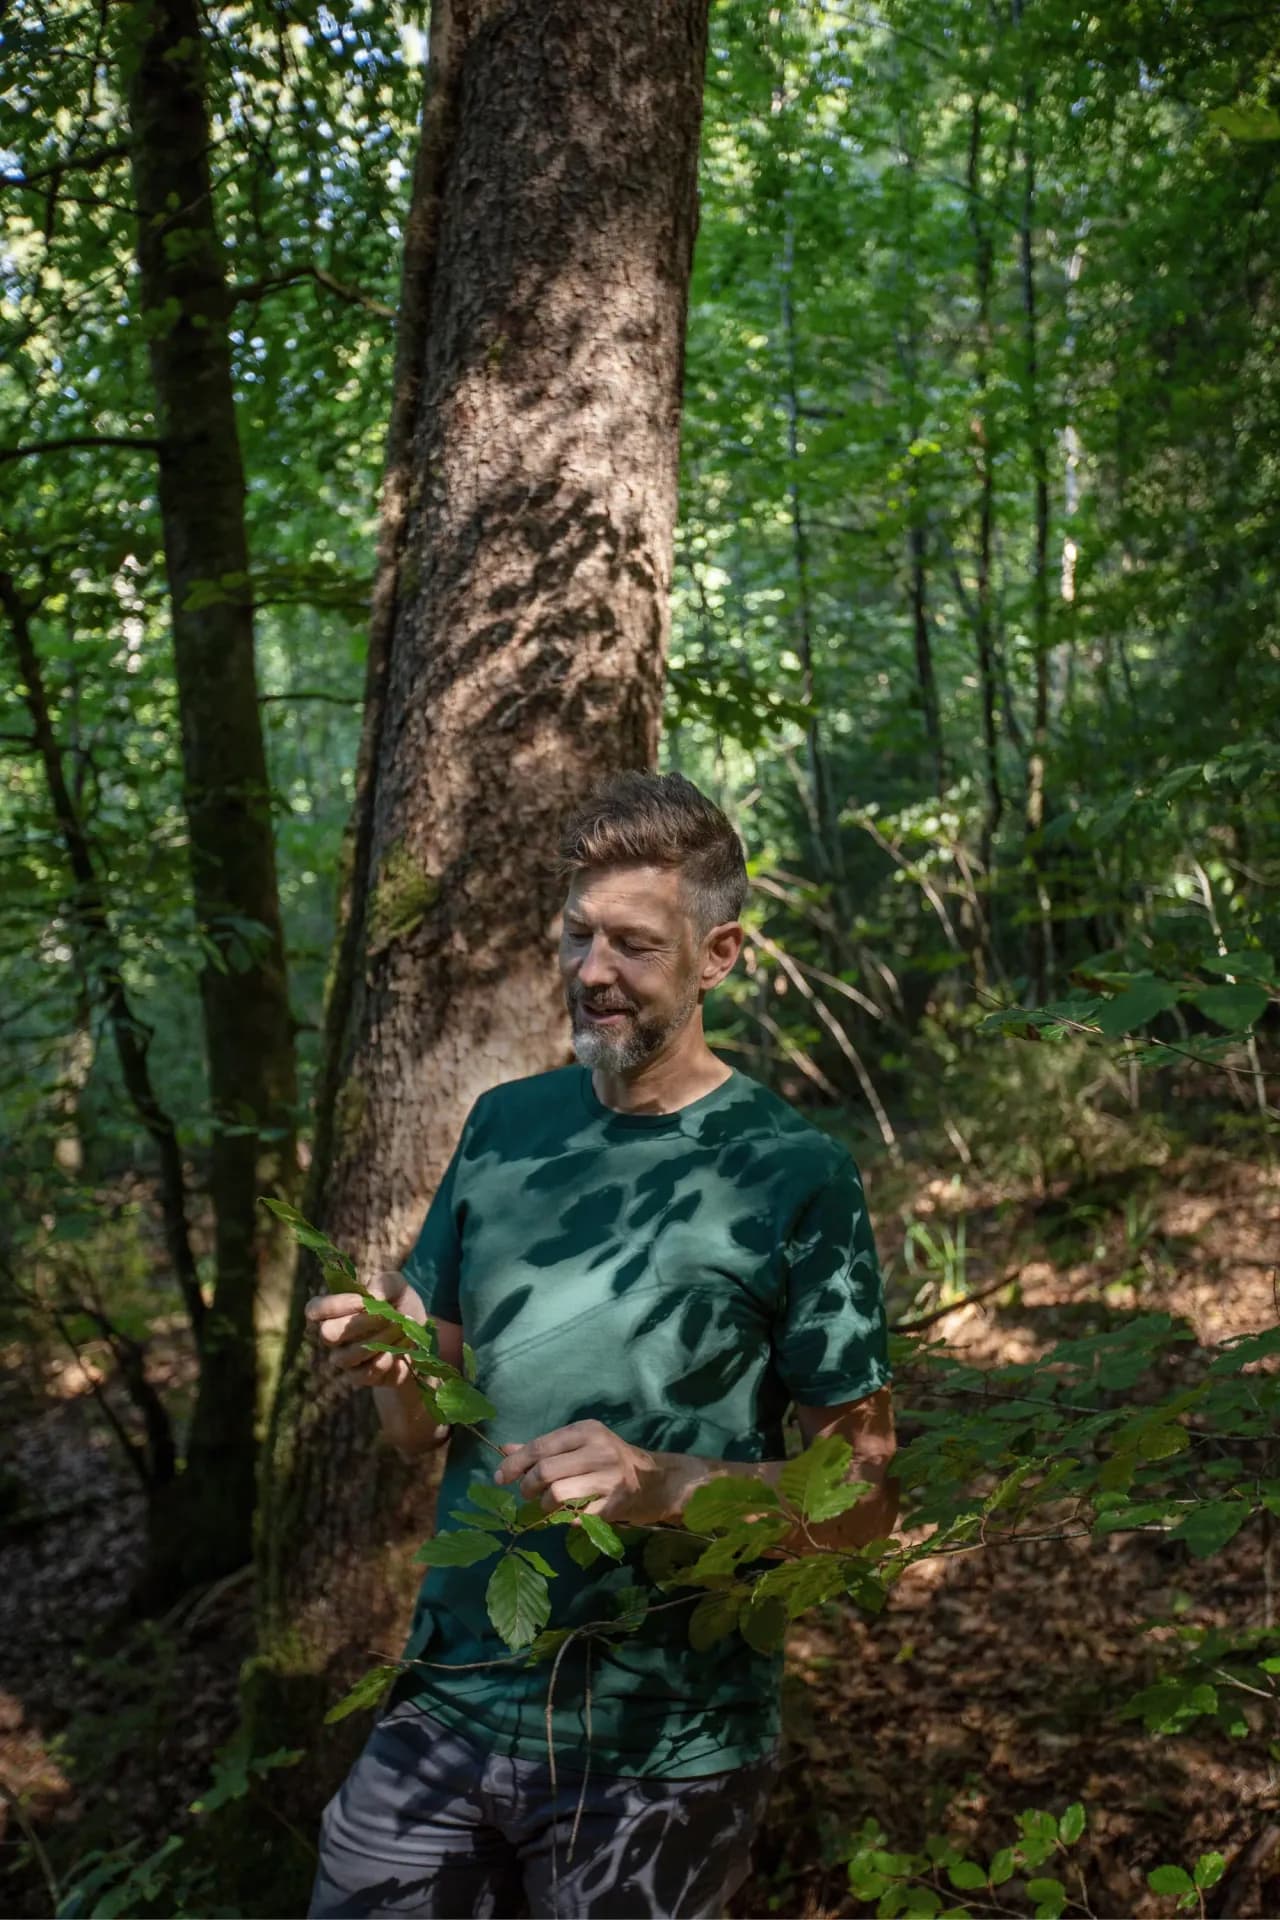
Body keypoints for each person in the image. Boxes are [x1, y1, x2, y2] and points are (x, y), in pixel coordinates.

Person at [306, 770, 897, 1919]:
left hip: (656, 1748)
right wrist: (392, 1361)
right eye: (577, 935)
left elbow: (865, 1504)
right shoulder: (504, 1126)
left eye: (630, 943)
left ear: (717, 953)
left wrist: (664, 1483)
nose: (589, 971)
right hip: (446, 1702)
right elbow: (414, 1430)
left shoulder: (793, 1172)